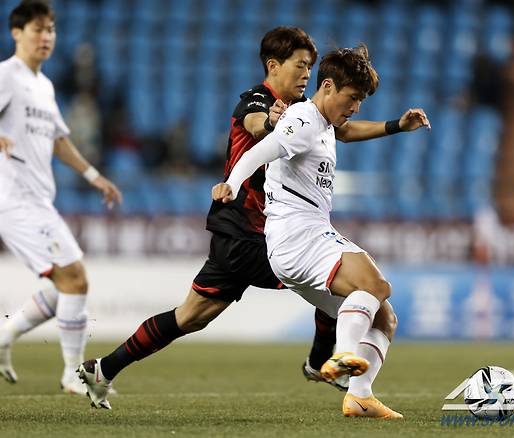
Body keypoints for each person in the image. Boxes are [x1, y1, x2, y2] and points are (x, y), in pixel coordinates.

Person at [77, 27, 342, 411]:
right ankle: (319, 363)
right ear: (274, 66)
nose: (307, 74)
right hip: (246, 231)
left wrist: (394, 126)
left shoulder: (304, 115)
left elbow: (343, 127)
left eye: (310, 67)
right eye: (301, 65)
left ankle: (102, 368)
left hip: (245, 233)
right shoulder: (257, 100)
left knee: (191, 317)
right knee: (329, 276)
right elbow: (255, 124)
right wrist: (270, 123)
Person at [212, 45, 430, 418]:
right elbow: (261, 150)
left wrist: (396, 125)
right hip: (298, 235)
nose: (357, 107)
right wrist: (230, 182)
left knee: (384, 316)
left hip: (300, 241)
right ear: (327, 86)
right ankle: (343, 356)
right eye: (353, 97)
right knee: (375, 286)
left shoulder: (325, 124)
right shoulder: (304, 118)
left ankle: (360, 397)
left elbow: (347, 130)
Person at [0, 0, 122, 394]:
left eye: (50, 29)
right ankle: (72, 373)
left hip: (39, 199)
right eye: (38, 29)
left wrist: (93, 175)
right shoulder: (7, 76)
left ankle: (3, 338)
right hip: (13, 198)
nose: (46, 36)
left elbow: (57, 138)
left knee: (63, 285)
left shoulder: (44, 84)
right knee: (75, 278)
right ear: (17, 32)